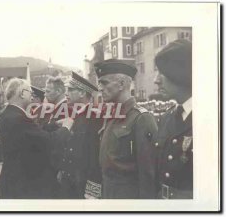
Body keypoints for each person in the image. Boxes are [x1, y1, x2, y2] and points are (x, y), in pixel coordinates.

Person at [0, 78, 74, 199]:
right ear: (22, 93)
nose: (33, 96)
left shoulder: (9, 114)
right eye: (30, 92)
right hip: (22, 184)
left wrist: (53, 125)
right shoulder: (19, 118)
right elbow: (47, 141)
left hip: (13, 180)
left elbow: (33, 134)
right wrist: (66, 127)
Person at [94, 58, 158, 199]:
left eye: (104, 83)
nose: (100, 88)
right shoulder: (111, 116)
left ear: (122, 84)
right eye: (99, 84)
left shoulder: (141, 118)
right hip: (109, 195)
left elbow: (148, 174)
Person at [154, 39, 193, 199]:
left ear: (179, 73)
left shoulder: (212, 119)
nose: (156, 80)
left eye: (162, 72)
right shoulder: (167, 117)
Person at [57, 71, 102, 199]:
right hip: (71, 181)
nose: (66, 93)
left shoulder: (94, 116)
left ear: (82, 93)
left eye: (71, 90)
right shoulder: (77, 115)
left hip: (83, 183)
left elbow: (95, 156)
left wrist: (93, 191)